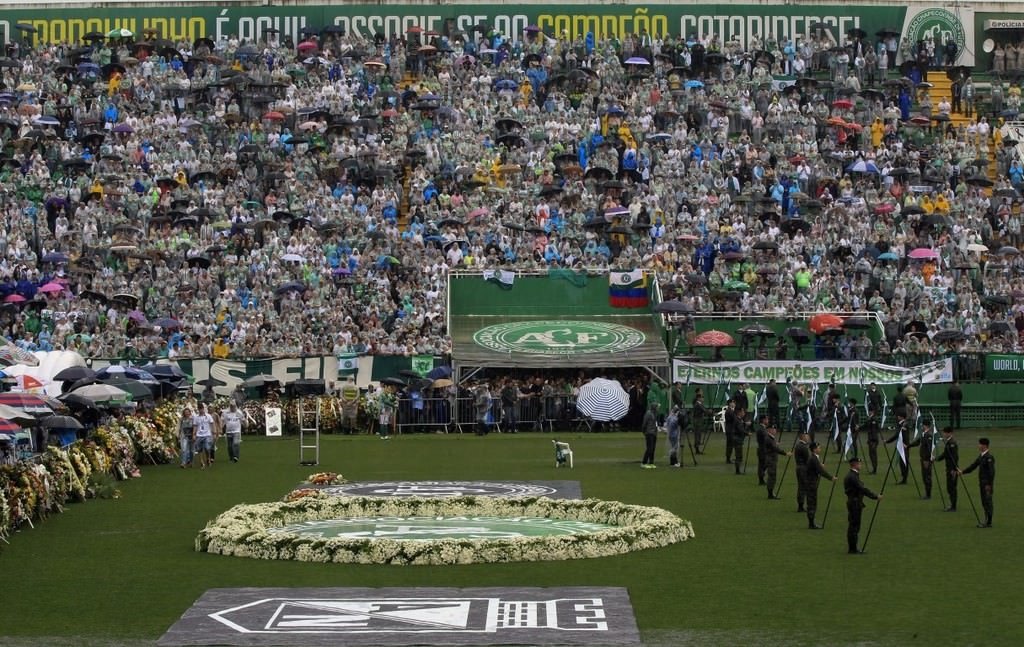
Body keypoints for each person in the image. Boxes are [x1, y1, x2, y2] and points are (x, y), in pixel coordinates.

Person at [844, 457, 880, 554]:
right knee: (854, 526)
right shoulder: (852, 477)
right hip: (855, 503)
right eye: (859, 464)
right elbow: (862, 489)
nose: (860, 465)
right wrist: (875, 496)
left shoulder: (852, 475)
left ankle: (853, 547)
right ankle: (853, 548)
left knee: (854, 526)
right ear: (855, 464)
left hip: (854, 502)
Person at [960, 437, 995, 528]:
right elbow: (973, 466)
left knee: (987, 502)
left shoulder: (989, 458)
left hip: (986, 485)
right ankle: (987, 521)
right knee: (984, 502)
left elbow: (991, 473)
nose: (978, 446)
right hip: (982, 484)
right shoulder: (981, 456)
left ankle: (988, 522)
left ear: (984, 445)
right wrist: (963, 472)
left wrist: (989, 484)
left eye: (980, 444)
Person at [805, 441, 838, 529]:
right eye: (818, 448)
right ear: (814, 449)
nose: (820, 449)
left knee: (812, 502)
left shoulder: (814, 458)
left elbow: (817, 468)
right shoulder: (813, 459)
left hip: (811, 483)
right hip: (811, 483)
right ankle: (811, 523)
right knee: (812, 503)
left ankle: (811, 522)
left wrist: (819, 466)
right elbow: (821, 471)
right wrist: (831, 478)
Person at [933, 426, 960, 512]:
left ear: (950, 433)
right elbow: (945, 454)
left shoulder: (952, 443)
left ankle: (953, 506)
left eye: (945, 432)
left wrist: (953, 469)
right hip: (949, 468)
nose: (944, 434)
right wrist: (936, 459)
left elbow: (954, 457)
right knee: (949, 487)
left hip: (952, 469)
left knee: (952, 488)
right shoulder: (948, 442)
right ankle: (952, 504)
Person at [907, 419, 935, 499]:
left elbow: (929, 448)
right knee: (924, 476)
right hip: (923, 458)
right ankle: (927, 493)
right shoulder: (924, 434)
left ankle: (928, 494)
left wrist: (927, 459)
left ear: (925, 425)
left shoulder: (929, 435)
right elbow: (918, 442)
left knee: (927, 476)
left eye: (923, 425)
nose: (922, 426)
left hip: (926, 459)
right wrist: (909, 446)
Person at [763, 424, 790, 499]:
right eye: (773, 429)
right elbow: (775, 448)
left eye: (775, 429)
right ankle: (770, 494)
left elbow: (772, 446)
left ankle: (771, 493)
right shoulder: (769, 438)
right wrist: (785, 453)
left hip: (772, 459)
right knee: (772, 477)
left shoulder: (771, 438)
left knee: (773, 476)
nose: (775, 430)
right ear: (769, 430)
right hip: (771, 460)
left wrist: (775, 444)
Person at [885, 412, 911, 484]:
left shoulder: (904, 425)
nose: (897, 417)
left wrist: (888, 441)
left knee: (904, 462)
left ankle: (904, 479)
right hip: (901, 445)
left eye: (898, 416)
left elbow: (901, 435)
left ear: (902, 417)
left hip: (904, 446)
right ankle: (903, 477)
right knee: (901, 462)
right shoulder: (900, 424)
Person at [192, 403, 215, 470]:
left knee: (207, 448)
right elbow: (195, 426)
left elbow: (212, 424)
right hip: (199, 435)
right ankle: (202, 462)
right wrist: (194, 434)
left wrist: (214, 432)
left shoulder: (208, 416)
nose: (201, 410)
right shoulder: (196, 417)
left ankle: (208, 458)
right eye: (199, 409)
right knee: (199, 449)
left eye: (202, 409)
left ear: (203, 409)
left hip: (207, 434)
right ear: (198, 409)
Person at [793, 431, 811, 512]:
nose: (808, 437)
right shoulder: (803, 447)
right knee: (803, 487)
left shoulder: (798, 445)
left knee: (801, 487)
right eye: (806, 436)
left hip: (799, 467)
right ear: (803, 436)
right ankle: (801, 505)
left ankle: (800, 504)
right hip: (803, 468)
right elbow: (808, 459)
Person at [641, 401, 659, 469]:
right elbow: (644, 423)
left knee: (653, 448)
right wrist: (644, 431)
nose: (658, 408)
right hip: (649, 433)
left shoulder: (655, 414)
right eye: (657, 407)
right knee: (649, 448)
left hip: (654, 433)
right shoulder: (648, 414)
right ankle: (644, 462)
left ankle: (651, 462)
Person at [754, 413, 770, 485]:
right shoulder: (761, 429)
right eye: (767, 419)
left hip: (763, 449)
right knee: (762, 465)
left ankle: (761, 478)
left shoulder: (762, 429)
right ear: (763, 420)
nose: (768, 420)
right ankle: (761, 479)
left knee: (764, 464)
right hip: (762, 450)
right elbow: (765, 439)